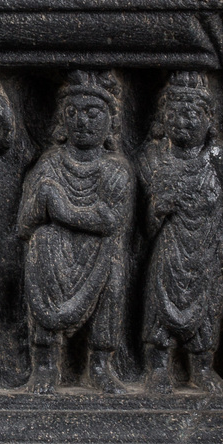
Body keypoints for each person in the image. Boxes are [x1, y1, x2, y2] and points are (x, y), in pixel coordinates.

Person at [19, 71, 133, 394]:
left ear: (111, 121)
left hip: (99, 252)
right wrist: (42, 202)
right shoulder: (49, 163)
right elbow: (24, 224)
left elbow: (111, 222)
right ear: (62, 120)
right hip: (55, 251)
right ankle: (45, 364)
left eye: (92, 113)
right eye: (73, 113)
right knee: (42, 242)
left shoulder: (116, 168)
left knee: (114, 270)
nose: (82, 121)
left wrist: (61, 209)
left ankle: (100, 364)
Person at [137, 71, 223, 393]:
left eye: (191, 114)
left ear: (208, 118)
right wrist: (158, 209)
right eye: (174, 114)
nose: (182, 122)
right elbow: (139, 224)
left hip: (208, 245)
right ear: (163, 118)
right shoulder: (153, 158)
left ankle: (202, 367)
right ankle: (158, 367)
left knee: (209, 307)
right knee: (160, 302)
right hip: (169, 246)